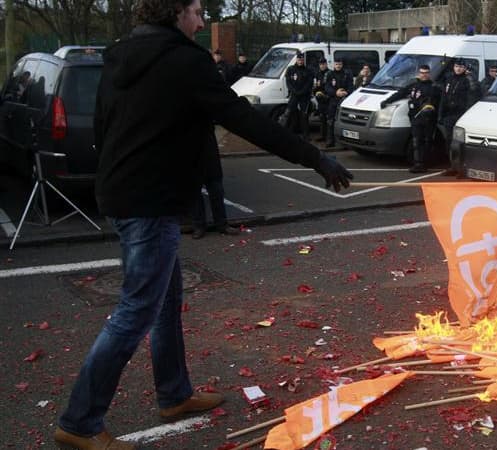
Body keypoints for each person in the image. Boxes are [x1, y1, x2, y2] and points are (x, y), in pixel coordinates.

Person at [54, 0, 352, 448]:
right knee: (136, 311)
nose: (201, 20)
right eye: (195, 11)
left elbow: (103, 126)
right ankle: (79, 422)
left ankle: (174, 394)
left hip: (123, 190)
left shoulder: (118, 55)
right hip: (150, 201)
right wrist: (314, 157)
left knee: (166, 300)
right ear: (174, 13)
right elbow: (243, 119)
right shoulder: (184, 61)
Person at [381, 64, 440, 173]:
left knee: (427, 141)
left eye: (426, 73)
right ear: (418, 73)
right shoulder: (414, 85)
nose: (424, 75)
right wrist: (387, 101)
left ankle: (425, 163)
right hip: (415, 118)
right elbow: (401, 93)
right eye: (422, 73)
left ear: (429, 74)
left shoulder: (434, 87)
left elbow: (439, 103)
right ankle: (418, 163)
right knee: (416, 141)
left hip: (428, 119)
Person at [439, 58, 477, 176]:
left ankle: (462, 168)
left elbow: (473, 94)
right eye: (456, 66)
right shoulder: (449, 79)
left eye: (461, 67)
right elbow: (444, 98)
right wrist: (441, 114)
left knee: (460, 144)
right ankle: (453, 166)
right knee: (449, 142)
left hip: (460, 115)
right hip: (449, 115)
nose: (458, 69)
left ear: (465, 68)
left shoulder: (467, 80)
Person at [282, 51, 313, 140]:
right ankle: (288, 134)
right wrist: (294, 91)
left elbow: (309, 83)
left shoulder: (308, 70)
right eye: (299, 59)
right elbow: (288, 82)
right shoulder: (290, 69)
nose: (300, 61)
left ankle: (306, 135)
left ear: (304, 60)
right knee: (290, 114)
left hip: (304, 96)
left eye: (302, 60)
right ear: (296, 60)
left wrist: (301, 92)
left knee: (304, 116)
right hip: (294, 95)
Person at [323, 58, 353, 148]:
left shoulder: (347, 74)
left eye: (339, 64)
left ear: (342, 64)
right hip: (333, 100)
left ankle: (345, 142)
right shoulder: (330, 74)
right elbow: (327, 87)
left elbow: (351, 86)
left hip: (344, 101)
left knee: (344, 121)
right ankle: (330, 140)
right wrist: (335, 92)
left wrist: (346, 92)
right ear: (334, 65)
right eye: (336, 64)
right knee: (330, 121)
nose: (338, 66)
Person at [313, 58, 331, 142]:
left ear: (326, 64)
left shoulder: (330, 73)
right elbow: (316, 86)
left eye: (324, 64)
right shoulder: (318, 73)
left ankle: (329, 137)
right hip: (320, 99)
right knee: (322, 118)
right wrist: (316, 90)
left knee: (329, 119)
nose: (322, 66)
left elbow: (330, 86)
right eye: (321, 64)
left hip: (328, 99)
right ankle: (323, 136)